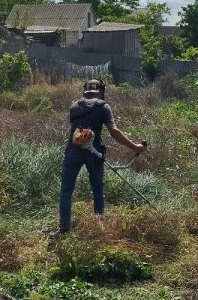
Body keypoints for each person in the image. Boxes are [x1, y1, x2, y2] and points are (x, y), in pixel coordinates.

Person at [59, 79, 146, 234]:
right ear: (101, 91)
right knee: (98, 190)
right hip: (94, 153)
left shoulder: (74, 106)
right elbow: (114, 132)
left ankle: (64, 229)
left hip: (73, 151)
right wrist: (136, 147)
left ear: (84, 90)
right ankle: (99, 227)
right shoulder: (103, 106)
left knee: (66, 190)